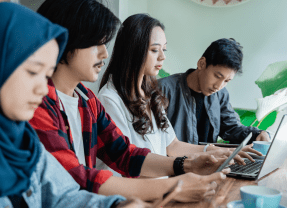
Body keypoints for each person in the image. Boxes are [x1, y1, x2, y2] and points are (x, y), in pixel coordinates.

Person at [30, 0, 229, 203]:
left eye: (104, 44)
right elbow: (77, 179)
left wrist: (185, 165)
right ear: (64, 40)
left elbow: (124, 153)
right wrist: (172, 186)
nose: (104, 53)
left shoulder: (86, 99)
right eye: (95, 43)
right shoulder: (37, 104)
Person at [0, 2, 147, 207]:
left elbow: (64, 196)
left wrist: (117, 205)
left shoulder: (25, 144)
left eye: (46, 75)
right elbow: (78, 179)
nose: (43, 89)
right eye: (33, 72)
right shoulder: (39, 115)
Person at [97, 14, 261, 178]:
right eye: (155, 50)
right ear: (133, 49)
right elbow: (125, 164)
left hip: (163, 187)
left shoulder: (150, 94)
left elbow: (172, 145)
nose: (163, 57)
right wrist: (185, 171)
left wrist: (223, 152)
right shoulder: (110, 99)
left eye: (164, 49)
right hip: (144, 194)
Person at [158, 38, 270, 145]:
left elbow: (231, 127)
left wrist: (258, 134)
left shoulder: (221, 94)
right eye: (217, 76)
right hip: (175, 163)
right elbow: (157, 141)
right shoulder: (163, 89)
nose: (219, 86)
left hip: (209, 162)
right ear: (201, 63)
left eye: (227, 81)